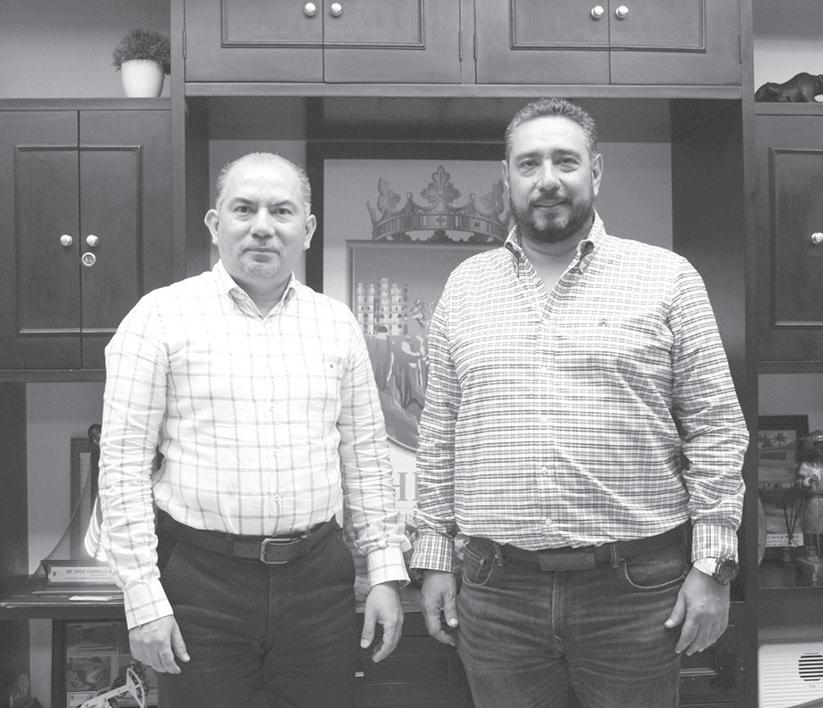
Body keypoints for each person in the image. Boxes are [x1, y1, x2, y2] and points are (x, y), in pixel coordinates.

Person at [410, 98, 748, 708]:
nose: (547, 180)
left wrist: (713, 568)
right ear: (507, 178)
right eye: (529, 163)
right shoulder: (465, 287)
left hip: (638, 593)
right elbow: (440, 432)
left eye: (565, 161)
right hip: (496, 593)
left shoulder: (668, 278)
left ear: (595, 171)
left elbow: (716, 428)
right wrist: (433, 559)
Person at [96, 152, 410, 707]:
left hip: (318, 584)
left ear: (306, 230)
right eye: (244, 209)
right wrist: (142, 596)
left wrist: (384, 573)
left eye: (281, 211)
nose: (262, 226)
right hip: (200, 582)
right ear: (215, 223)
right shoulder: (158, 318)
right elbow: (121, 469)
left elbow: (365, 457)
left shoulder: (337, 325)